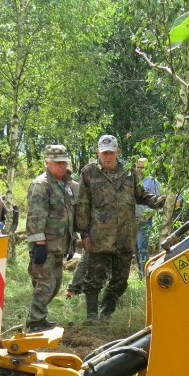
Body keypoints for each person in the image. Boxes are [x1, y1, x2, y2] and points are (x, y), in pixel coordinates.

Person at [75, 134, 164, 323]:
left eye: (111, 152)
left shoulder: (129, 172)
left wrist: (159, 201)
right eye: (104, 152)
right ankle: (91, 316)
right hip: (99, 236)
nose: (107, 156)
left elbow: (141, 195)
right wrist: (84, 234)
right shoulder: (88, 172)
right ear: (98, 152)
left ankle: (106, 313)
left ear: (118, 152)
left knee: (120, 280)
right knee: (94, 278)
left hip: (124, 236)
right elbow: (82, 204)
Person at [24, 145, 76, 332]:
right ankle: (35, 322)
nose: (62, 166)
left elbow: (69, 216)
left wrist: (71, 243)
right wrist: (39, 244)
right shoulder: (42, 184)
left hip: (59, 245)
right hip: (44, 245)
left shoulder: (66, 185)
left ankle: (40, 318)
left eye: (64, 162)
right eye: (57, 163)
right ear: (47, 162)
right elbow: (35, 217)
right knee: (45, 285)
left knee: (55, 286)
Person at [65, 169, 90, 299]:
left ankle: (74, 288)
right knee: (86, 259)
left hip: (80, 228)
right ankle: (74, 288)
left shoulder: (75, 187)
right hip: (88, 228)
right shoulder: (76, 187)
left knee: (86, 260)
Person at [134, 157, 161, 277]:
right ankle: (140, 273)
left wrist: (147, 216)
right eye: (137, 167)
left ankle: (144, 274)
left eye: (142, 167)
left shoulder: (153, 182)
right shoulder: (134, 181)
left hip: (145, 219)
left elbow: (156, 202)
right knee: (135, 247)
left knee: (142, 247)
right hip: (133, 219)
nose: (139, 170)